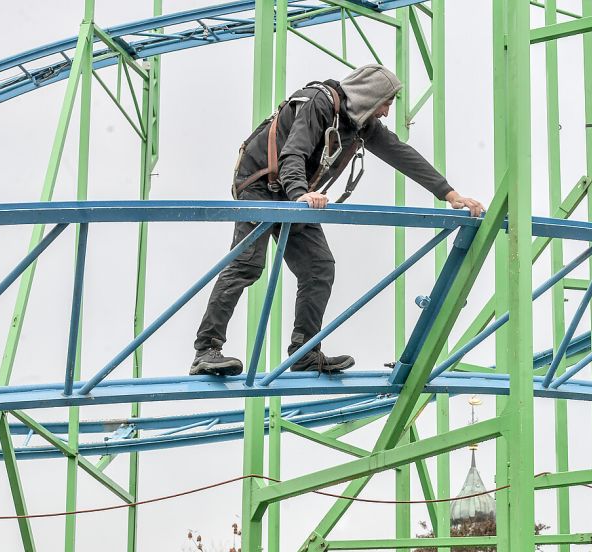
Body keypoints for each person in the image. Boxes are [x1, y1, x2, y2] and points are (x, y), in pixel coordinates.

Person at [191, 64, 484, 376]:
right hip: (261, 185)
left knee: (319, 267)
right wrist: (300, 193)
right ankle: (206, 350)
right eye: (385, 103)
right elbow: (294, 153)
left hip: (294, 193)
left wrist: (449, 194)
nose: (385, 112)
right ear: (369, 97)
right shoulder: (319, 102)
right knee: (248, 263)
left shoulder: (360, 125)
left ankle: (304, 352)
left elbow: (400, 153)